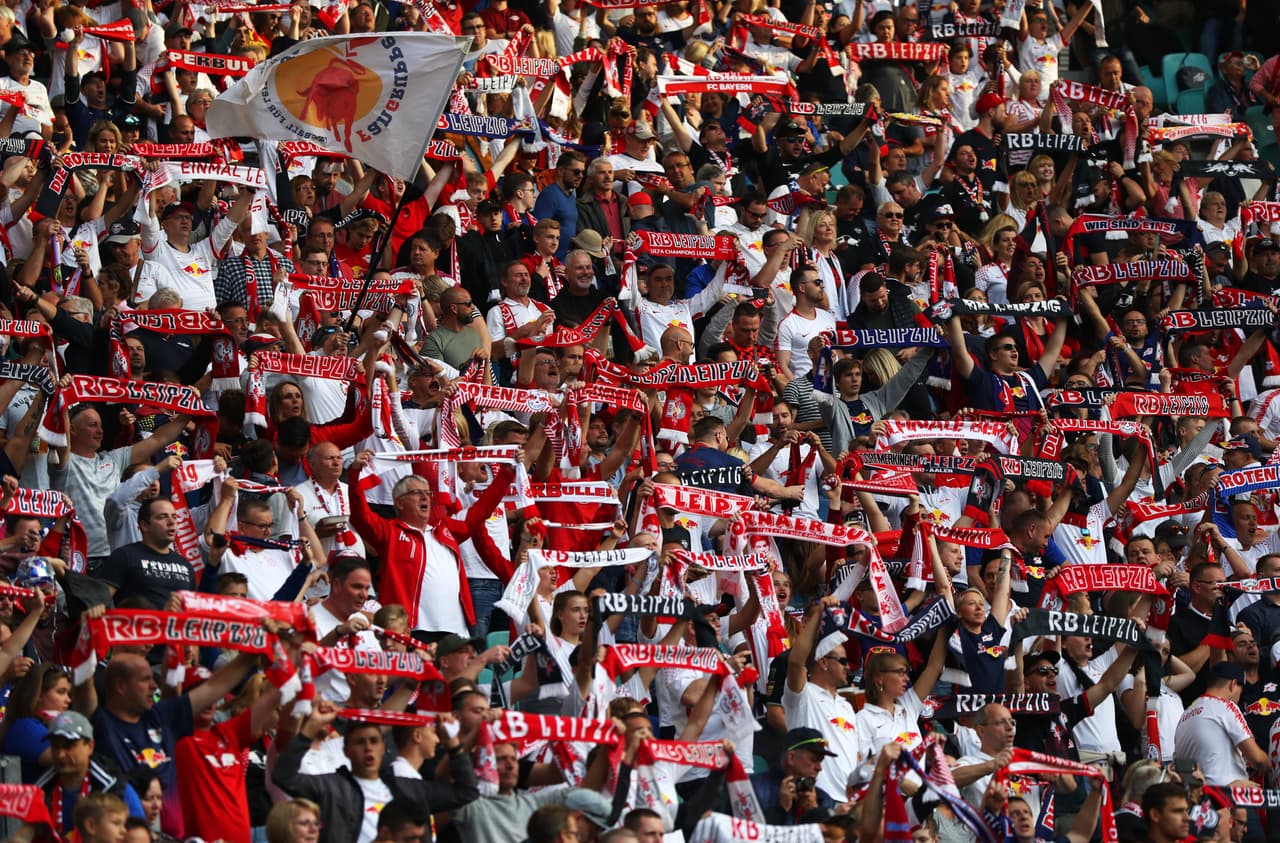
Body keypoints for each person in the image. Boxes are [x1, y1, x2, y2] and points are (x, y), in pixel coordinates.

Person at [273, 702, 478, 843]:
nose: (368, 748)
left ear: (383, 748)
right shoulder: (331, 787)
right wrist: (310, 729)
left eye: (374, 741)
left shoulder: (407, 788)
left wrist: (453, 744)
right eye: (360, 742)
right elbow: (284, 776)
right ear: (346, 751)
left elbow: (467, 792)